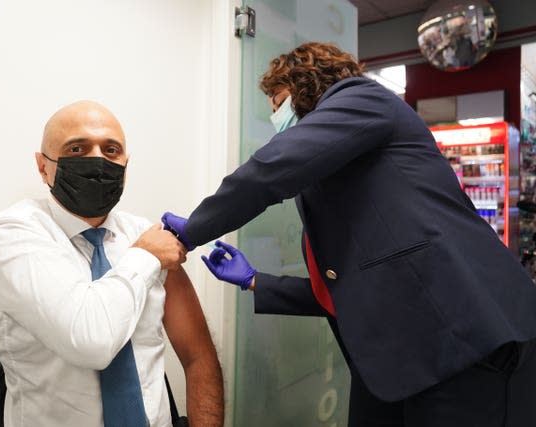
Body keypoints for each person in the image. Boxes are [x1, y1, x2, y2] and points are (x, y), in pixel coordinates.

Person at [161, 42, 536, 426]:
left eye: (278, 102)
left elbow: (272, 170)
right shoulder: (331, 173)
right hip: (405, 357)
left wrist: (194, 230)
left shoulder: (362, 98)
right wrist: (256, 281)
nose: (276, 117)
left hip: (464, 337)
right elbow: (350, 283)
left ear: (306, 84)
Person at [0, 100, 224, 427]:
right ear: (42, 166)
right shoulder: (13, 235)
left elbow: (199, 356)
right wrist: (146, 257)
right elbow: (90, 341)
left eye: (110, 150)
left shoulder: (144, 233)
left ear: (125, 164)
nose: (97, 160)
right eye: (77, 148)